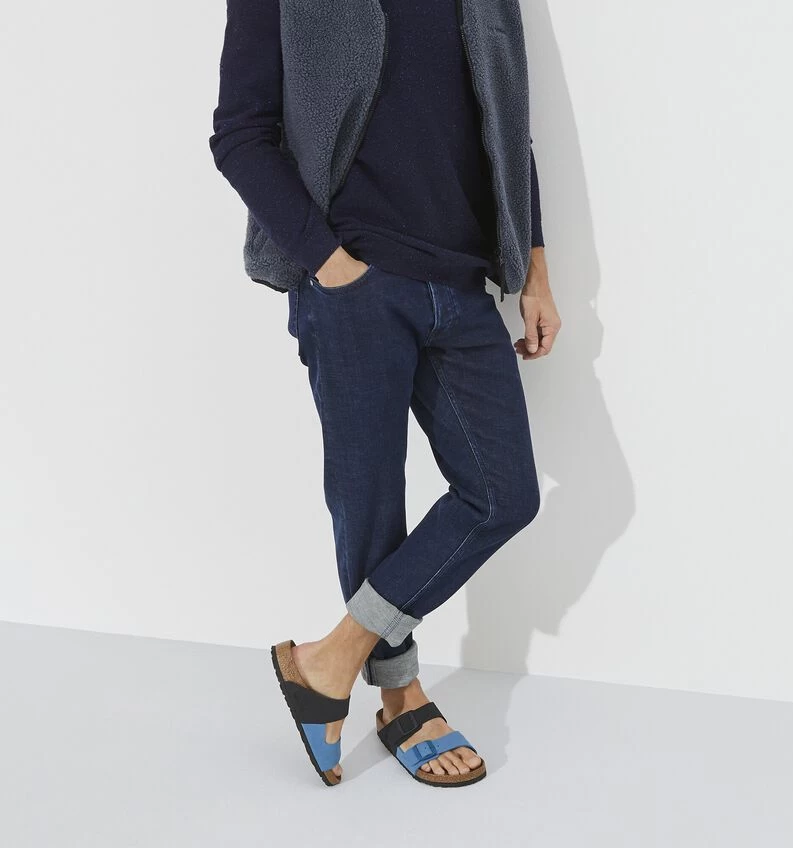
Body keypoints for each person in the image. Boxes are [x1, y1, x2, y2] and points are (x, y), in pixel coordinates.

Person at [209, 0, 561, 788]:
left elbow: (511, 129)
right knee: (369, 502)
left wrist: (535, 271)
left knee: (504, 495)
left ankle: (328, 661)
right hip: (354, 281)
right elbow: (239, 134)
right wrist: (331, 266)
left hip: (462, 285)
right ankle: (402, 697)